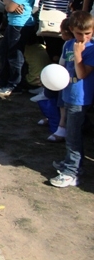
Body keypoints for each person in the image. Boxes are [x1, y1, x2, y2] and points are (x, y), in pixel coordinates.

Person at [51, 10, 94, 188]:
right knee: (71, 133)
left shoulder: (91, 49)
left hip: (80, 98)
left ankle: (71, 172)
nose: (83, 37)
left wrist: (78, 55)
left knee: (73, 136)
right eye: (78, 33)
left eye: (87, 33)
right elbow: (62, 68)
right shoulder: (68, 44)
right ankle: (74, 164)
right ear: (71, 30)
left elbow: (82, 73)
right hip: (68, 93)